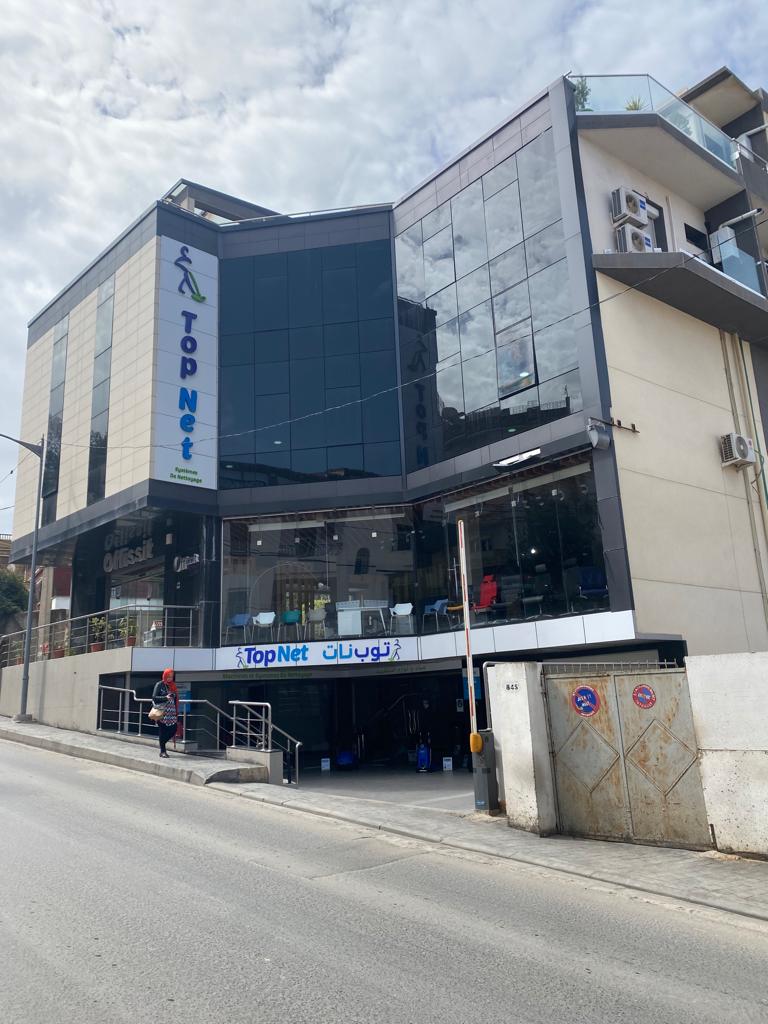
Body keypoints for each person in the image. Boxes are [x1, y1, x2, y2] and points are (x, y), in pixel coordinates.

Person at [152, 668, 178, 758]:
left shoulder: (173, 685)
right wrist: (165, 697)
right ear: (165, 676)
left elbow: (175, 699)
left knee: (174, 729)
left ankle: (162, 743)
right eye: (168, 676)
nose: (170, 678)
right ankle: (163, 751)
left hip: (172, 712)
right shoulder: (160, 684)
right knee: (163, 731)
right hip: (162, 711)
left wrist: (173, 696)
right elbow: (154, 697)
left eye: (171, 676)